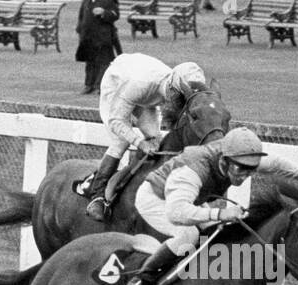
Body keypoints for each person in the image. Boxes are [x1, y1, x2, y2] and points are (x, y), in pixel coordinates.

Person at [127, 128, 298, 285]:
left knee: (220, 231)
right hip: (156, 199)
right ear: (224, 160)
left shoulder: (239, 158)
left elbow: (276, 165)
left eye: (251, 169)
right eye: (241, 169)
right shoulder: (193, 170)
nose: (246, 174)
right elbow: (176, 213)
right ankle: (141, 280)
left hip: (188, 201)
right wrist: (220, 213)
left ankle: (202, 283)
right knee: (188, 235)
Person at [83, 54, 208, 221]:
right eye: (181, 98)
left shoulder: (176, 86)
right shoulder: (141, 84)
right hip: (117, 83)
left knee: (154, 137)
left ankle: (134, 182)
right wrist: (139, 142)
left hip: (145, 94)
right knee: (121, 141)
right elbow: (116, 120)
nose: (181, 103)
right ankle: (97, 195)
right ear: (172, 88)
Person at [75, 0, 119, 95]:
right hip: (88, 35)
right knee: (90, 61)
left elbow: (115, 15)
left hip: (103, 35)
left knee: (103, 62)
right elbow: (81, 14)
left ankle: (100, 86)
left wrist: (104, 12)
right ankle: (88, 85)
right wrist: (79, 29)